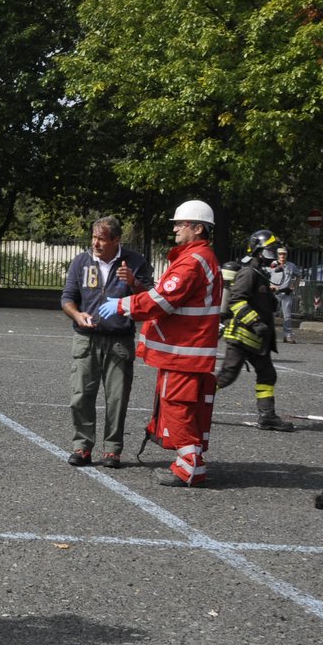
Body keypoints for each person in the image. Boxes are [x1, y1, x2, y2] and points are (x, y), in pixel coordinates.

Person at [95, 200, 223, 487]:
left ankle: (188, 467)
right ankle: (191, 461)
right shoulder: (198, 258)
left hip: (182, 351)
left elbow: (161, 301)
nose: (176, 229)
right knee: (186, 407)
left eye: (181, 224)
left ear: (198, 228)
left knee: (178, 406)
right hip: (186, 350)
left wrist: (121, 305)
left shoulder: (192, 261)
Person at [60, 216, 154, 469]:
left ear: (116, 240)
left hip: (119, 341)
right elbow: (67, 297)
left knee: (117, 399)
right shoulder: (81, 261)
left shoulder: (135, 262)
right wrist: (77, 315)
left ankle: (112, 450)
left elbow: (151, 300)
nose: (96, 243)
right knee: (80, 396)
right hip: (86, 339)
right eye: (94, 237)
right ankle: (82, 446)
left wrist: (133, 282)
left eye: (102, 239)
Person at [216, 229, 295, 431]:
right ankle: (193, 401)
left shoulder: (260, 273)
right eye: (271, 250)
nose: (274, 254)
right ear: (260, 252)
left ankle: (267, 416)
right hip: (242, 337)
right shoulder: (248, 273)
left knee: (268, 375)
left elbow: (260, 301)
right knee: (226, 377)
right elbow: (236, 300)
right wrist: (256, 323)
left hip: (256, 340)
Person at [271, 246, 301, 343]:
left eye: (284, 254)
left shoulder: (291, 266)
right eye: (280, 254)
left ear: (286, 255)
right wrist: (270, 286)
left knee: (287, 316)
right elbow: (265, 276)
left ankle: (287, 335)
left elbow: (298, 275)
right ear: (277, 255)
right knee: (271, 315)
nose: (282, 255)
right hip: (274, 293)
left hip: (286, 293)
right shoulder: (272, 265)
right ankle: (269, 335)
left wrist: (294, 286)